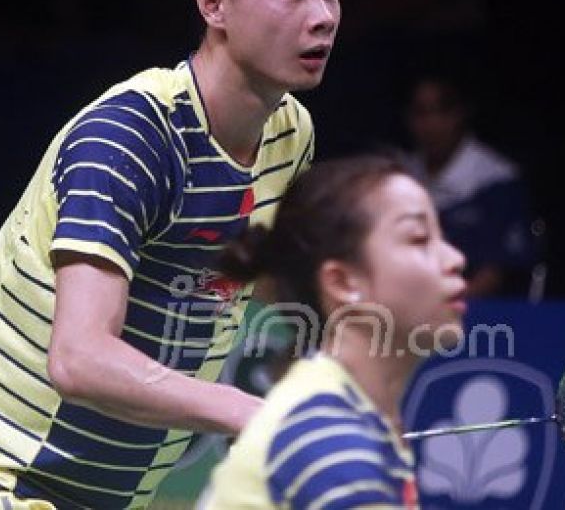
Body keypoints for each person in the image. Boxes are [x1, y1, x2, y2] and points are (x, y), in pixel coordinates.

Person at [0, 0, 339, 509]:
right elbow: (79, 358)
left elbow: (252, 285)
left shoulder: (290, 137)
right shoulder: (130, 137)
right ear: (214, 4)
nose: (322, 16)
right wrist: (247, 411)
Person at [203, 154, 468, 509]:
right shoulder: (329, 439)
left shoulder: (350, 415)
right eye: (418, 238)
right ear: (343, 282)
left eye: (441, 236)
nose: (454, 258)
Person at [403, 74, 536, 297]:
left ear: (462, 113)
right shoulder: (399, 177)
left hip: (478, 313)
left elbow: (494, 274)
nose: (432, 124)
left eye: (443, 111)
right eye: (421, 112)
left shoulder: (498, 180)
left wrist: (442, 303)